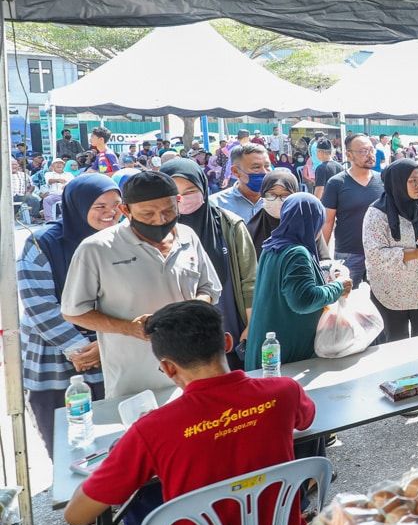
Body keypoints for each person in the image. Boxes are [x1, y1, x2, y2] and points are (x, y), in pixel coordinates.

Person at [64, 300, 314, 525]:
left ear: (167, 368)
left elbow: (77, 515)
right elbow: (306, 419)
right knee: (251, 518)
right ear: (227, 342)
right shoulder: (283, 392)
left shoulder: (151, 431)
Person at [61, 170, 223, 399]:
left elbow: (209, 288)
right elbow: (73, 312)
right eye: (147, 214)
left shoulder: (188, 236)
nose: (160, 220)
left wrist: (191, 312)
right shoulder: (96, 249)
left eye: (168, 211)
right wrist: (129, 328)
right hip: (133, 382)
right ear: (125, 210)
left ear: (178, 202)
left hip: (193, 375)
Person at [18, 175, 119, 453]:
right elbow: (40, 306)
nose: (111, 212)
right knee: (66, 447)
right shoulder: (41, 244)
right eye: (100, 206)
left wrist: (106, 346)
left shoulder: (122, 242)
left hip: (110, 353)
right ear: (77, 205)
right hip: (57, 360)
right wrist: (82, 350)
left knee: (113, 443)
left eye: (117, 204)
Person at [162, 158, 257, 362]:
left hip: (230, 328)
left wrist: (251, 325)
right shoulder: (155, 230)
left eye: (190, 191)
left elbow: (249, 281)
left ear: (203, 188)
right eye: (175, 193)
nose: (183, 199)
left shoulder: (230, 225)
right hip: (176, 337)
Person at [246, 194, 353, 370]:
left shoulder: (272, 246)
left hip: (268, 347)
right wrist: (338, 287)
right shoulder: (296, 253)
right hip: (287, 354)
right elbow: (304, 300)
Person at [363, 159, 418, 344]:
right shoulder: (377, 213)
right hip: (390, 294)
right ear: (397, 182)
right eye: (412, 181)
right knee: (395, 347)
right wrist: (415, 254)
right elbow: (374, 254)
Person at [321, 133, 384, 286]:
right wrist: (322, 257)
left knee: (378, 305)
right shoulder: (336, 183)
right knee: (346, 303)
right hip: (348, 255)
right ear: (349, 155)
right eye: (363, 151)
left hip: (379, 253)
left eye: (371, 150)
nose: (370, 155)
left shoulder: (383, 180)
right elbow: (327, 222)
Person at [247, 170, 331, 260]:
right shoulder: (251, 231)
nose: (278, 200)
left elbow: (323, 259)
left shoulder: (306, 227)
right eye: (271, 194)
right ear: (263, 194)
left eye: (285, 195)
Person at [212, 142, 270, 223]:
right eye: (256, 167)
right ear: (236, 171)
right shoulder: (216, 205)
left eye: (267, 166)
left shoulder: (279, 200)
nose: (264, 172)